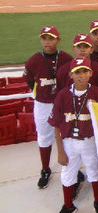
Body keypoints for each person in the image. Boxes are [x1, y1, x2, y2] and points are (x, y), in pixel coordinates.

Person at [48, 58, 98, 213]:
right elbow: (56, 124)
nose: (81, 76)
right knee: (67, 174)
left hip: (90, 141)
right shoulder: (63, 95)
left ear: (91, 73)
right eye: (77, 72)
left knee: (94, 172)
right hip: (69, 142)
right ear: (70, 75)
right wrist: (60, 150)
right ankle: (68, 206)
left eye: (85, 71)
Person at [23, 26, 73, 189]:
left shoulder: (66, 58)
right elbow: (29, 80)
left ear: (58, 40)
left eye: (51, 38)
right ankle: (45, 169)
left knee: (67, 136)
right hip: (43, 104)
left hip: (63, 103)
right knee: (44, 136)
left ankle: (71, 166)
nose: (47, 42)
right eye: (44, 38)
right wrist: (42, 92)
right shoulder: (34, 60)